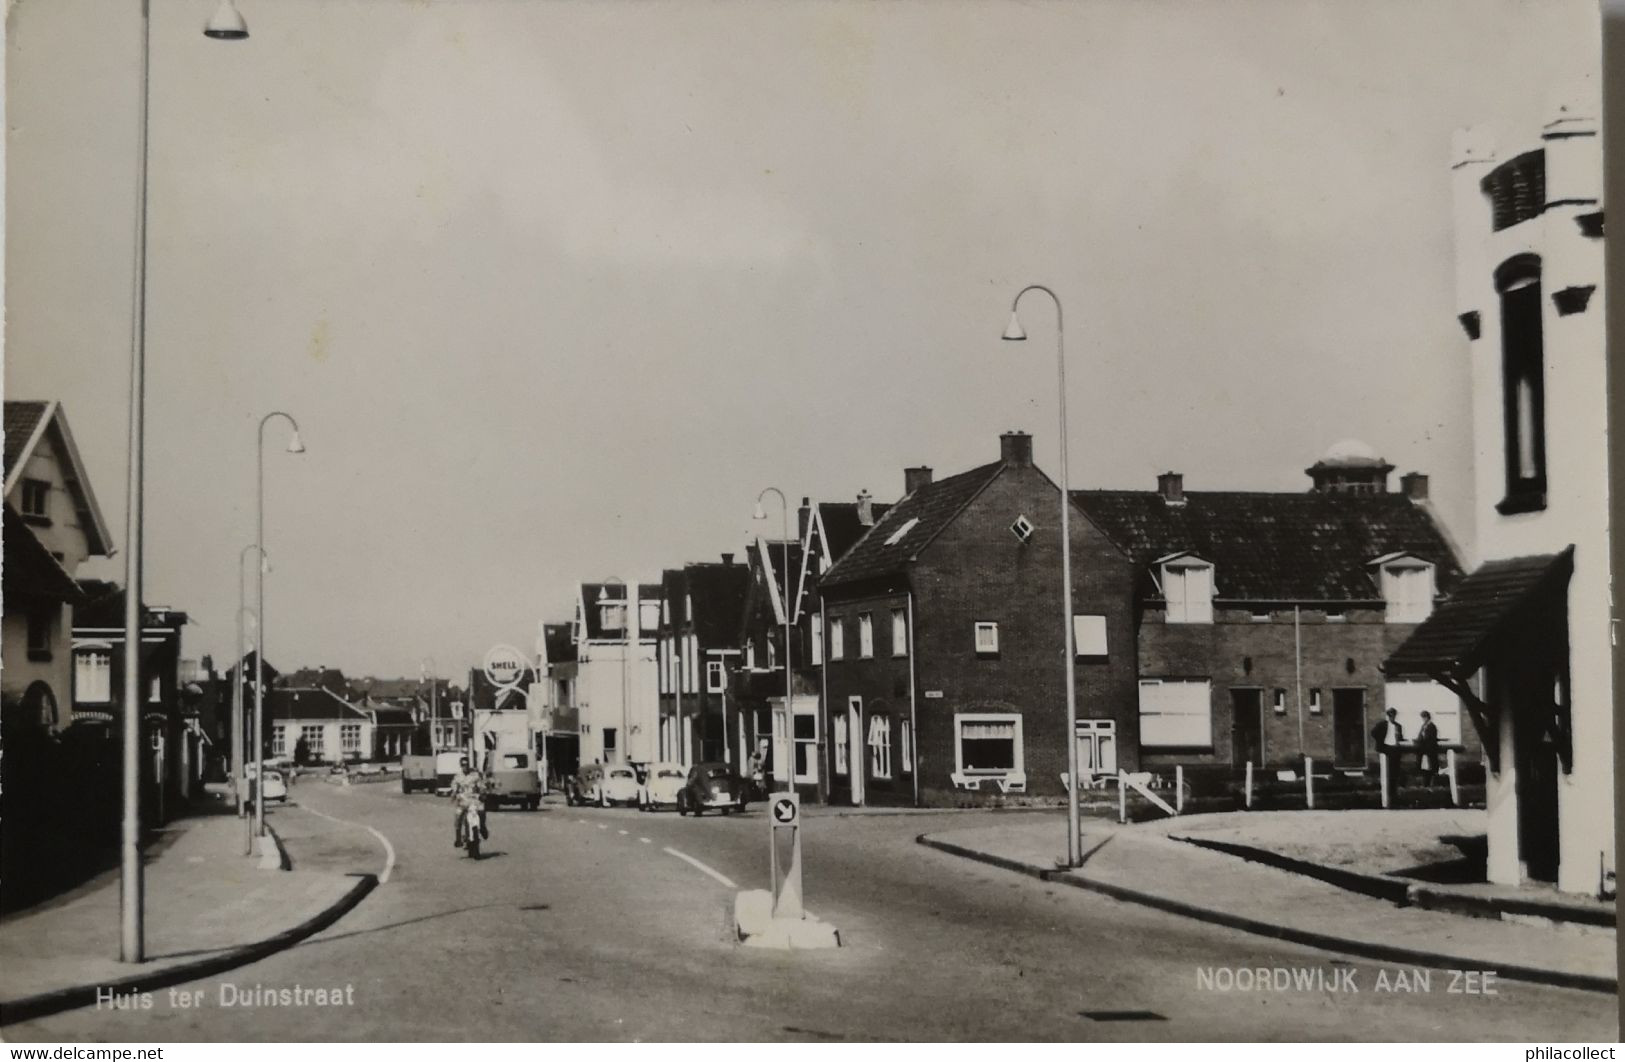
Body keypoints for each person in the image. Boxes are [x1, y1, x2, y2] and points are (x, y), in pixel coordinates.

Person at [449, 755, 488, 847]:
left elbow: (481, 786)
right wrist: (454, 794)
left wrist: (483, 793)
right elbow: (454, 787)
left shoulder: (475, 775)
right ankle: (458, 839)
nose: (465, 767)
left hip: (474, 800)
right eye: (463, 765)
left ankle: (482, 827)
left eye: (466, 765)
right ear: (460, 765)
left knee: (482, 811)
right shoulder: (458, 777)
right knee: (458, 817)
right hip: (463, 801)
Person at [1370, 707, 1406, 794]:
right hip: (1385, 749)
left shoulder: (1398, 726)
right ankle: (1386, 790)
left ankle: (1393, 790)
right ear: (1388, 716)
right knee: (1386, 771)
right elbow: (1373, 733)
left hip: (1394, 749)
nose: (1392, 718)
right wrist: (1380, 741)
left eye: (1394, 716)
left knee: (1394, 771)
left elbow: (1400, 738)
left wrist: (1399, 740)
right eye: (1391, 716)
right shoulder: (1382, 725)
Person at [1414, 710, 1440, 787]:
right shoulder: (1424, 726)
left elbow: (1429, 739)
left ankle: (1428, 784)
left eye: (1424, 717)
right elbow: (1421, 737)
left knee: (1429, 768)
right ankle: (1426, 784)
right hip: (1424, 752)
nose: (1423, 719)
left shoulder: (1431, 727)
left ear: (1427, 717)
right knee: (1425, 768)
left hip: (1428, 751)